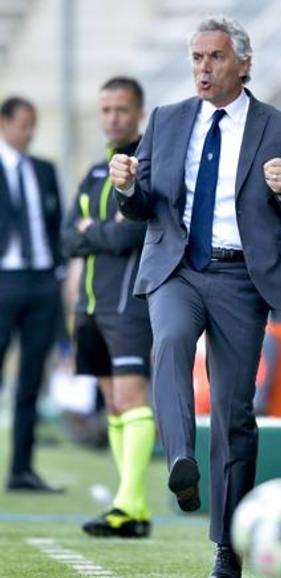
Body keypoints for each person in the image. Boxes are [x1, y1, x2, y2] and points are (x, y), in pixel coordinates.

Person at [110, 16, 281, 578]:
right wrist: (126, 186)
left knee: (234, 413)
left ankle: (228, 546)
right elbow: (143, 205)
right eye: (197, 58)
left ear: (244, 64)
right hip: (176, 267)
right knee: (172, 340)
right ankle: (181, 459)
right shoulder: (167, 119)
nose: (203, 68)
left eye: (216, 57)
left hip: (242, 280)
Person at [62, 77, 154, 538]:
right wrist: (101, 231)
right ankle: (131, 508)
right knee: (114, 405)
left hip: (128, 305)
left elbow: (129, 234)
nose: (113, 118)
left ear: (139, 113)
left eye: (121, 109)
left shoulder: (147, 166)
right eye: (106, 110)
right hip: (91, 306)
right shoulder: (95, 172)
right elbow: (66, 238)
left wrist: (90, 230)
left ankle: (128, 503)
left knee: (132, 400)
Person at [0, 96, 64, 492]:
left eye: (33, 124)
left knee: (31, 379)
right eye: (24, 123)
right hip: (3, 278)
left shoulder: (44, 170)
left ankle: (21, 470)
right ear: (4, 124)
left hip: (42, 282)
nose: (30, 132)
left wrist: (59, 270)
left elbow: (56, 224)